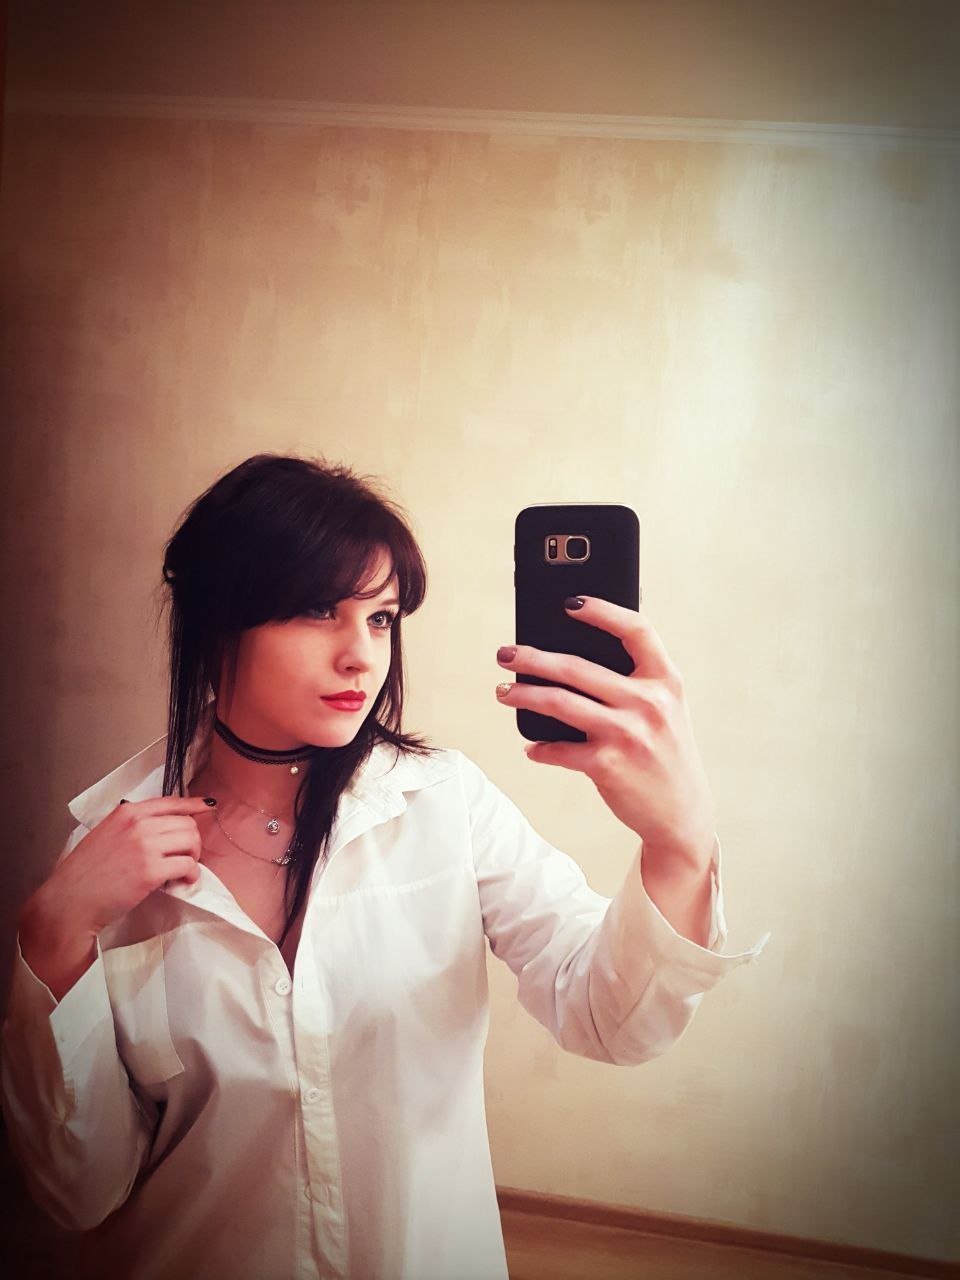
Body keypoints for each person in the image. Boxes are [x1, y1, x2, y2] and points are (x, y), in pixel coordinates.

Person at [0, 453, 768, 1280]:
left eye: (381, 617)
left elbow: (612, 1020)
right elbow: (81, 1191)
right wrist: (52, 935)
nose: (362, 656)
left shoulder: (443, 804)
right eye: (318, 610)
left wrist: (678, 845)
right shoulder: (107, 861)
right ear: (218, 615)